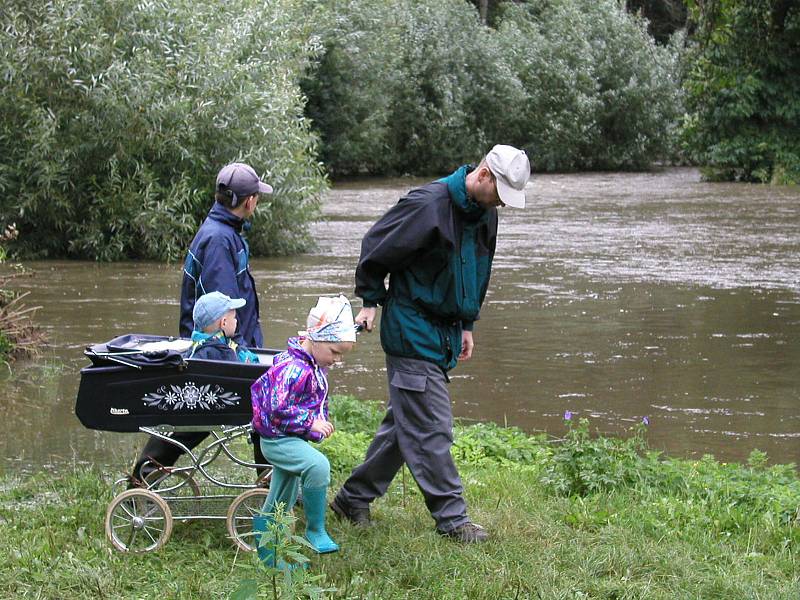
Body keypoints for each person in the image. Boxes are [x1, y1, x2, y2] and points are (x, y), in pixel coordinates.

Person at [330, 144, 531, 543]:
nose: (503, 206)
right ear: (485, 175)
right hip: (411, 327)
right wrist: (370, 299)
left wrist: (467, 322)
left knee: (408, 423)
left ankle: (353, 499)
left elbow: (480, 270)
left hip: (445, 331)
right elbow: (376, 246)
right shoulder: (428, 204)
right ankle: (453, 520)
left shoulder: (486, 215)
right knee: (432, 428)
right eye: (501, 194)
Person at [130, 162, 272, 484]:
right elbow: (221, 310)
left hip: (225, 343)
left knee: (251, 407)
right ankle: (145, 474)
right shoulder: (221, 240)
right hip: (218, 347)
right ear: (249, 202)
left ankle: (271, 480)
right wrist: (237, 352)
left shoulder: (222, 231)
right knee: (204, 412)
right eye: (256, 197)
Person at [251, 295, 357, 566]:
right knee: (318, 466)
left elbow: (316, 399)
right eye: (335, 352)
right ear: (317, 339)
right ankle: (315, 530)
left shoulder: (313, 365)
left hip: (289, 436)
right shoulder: (294, 369)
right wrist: (310, 423)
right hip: (277, 439)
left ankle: (268, 554)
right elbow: (277, 407)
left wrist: (319, 422)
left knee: (281, 498)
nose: (337, 360)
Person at [189, 291, 258, 362]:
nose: (236, 321)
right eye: (234, 317)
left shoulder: (195, 348)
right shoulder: (226, 354)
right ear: (224, 323)